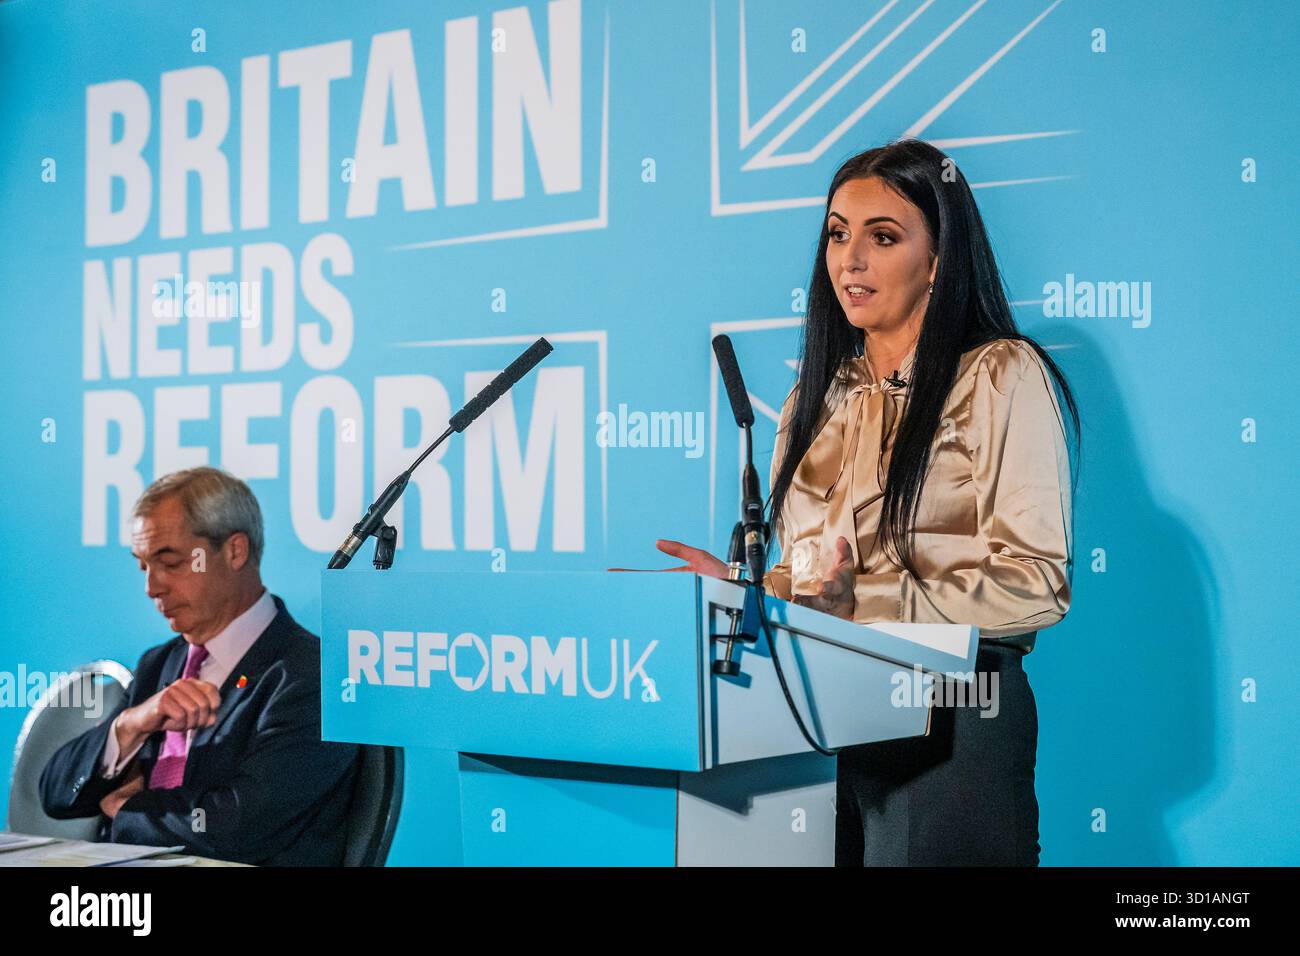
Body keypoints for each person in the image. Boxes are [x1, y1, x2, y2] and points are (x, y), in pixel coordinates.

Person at [656, 138, 1080, 866]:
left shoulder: (1001, 375)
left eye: (882, 237)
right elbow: (827, 584)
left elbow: (1037, 585)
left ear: (938, 261)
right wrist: (744, 593)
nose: (850, 260)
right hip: (809, 719)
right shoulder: (811, 399)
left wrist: (869, 603)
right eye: (837, 234)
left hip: (950, 720)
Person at [40, 467, 359, 866]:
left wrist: (127, 809)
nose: (151, 587)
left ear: (235, 551)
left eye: (169, 562)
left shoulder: (314, 675)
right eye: (143, 566)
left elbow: (238, 826)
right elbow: (55, 795)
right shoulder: (160, 663)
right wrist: (129, 726)